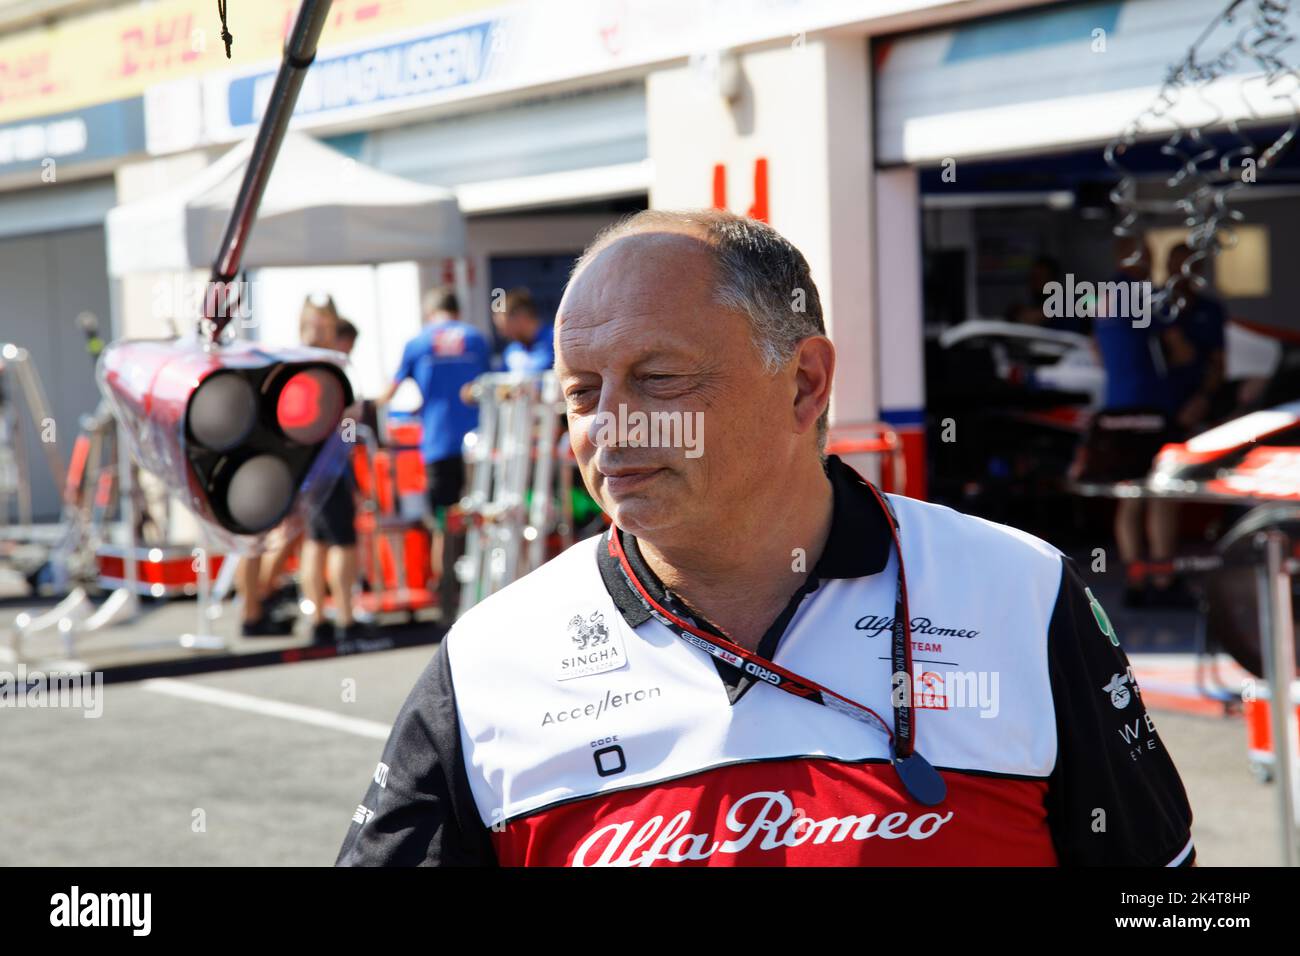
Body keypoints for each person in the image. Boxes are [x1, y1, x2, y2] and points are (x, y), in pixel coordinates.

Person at [337, 210, 1194, 867]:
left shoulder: (1019, 593)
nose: (609, 428)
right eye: (582, 392)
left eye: (659, 380)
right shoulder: (489, 659)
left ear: (806, 384)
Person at [238, 294, 340, 637]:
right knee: (264, 536)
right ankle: (253, 608)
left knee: (289, 534)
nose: (319, 328)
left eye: (325, 322)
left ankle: (260, 600)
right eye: (314, 321)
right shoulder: (295, 360)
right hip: (286, 457)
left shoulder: (324, 360)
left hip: (307, 459)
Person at [375, 288, 490, 587]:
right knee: (482, 517)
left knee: (444, 521)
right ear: (457, 311)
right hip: (479, 445)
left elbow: (388, 394)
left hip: (438, 444)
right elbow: (489, 388)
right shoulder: (476, 338)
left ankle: (447, 589)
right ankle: (479, 583)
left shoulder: (418, 343)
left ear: (429, 314)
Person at [301, 316, 363, 643]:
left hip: (310, 468)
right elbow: (348, 415)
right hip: (330, 465)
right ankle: (345, 618)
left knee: (317, 541)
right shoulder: (327, 367)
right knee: (341, 542)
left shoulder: (297, 365)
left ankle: (320, 618)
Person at [493, 287, 554, 372]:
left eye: (505, 327)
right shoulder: (511, 351)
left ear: (521, 317)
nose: (503, 334)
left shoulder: (556, 340)